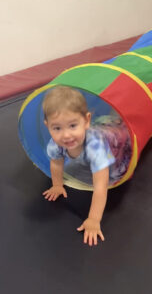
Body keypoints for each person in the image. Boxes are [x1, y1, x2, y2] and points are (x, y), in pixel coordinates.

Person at [42, 85, 131, 246]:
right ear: (47, 126)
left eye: (72, 126)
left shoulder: (95, 148)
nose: (66, 135)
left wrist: (93, 219)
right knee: (110, 122)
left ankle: (123, 104)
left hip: (115, 139)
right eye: (57, 128)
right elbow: (56, 163)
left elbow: (100, 187)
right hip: (101, 128)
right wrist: (57, 185)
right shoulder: (55, 144)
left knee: (124, 129)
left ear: (86, 120)